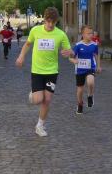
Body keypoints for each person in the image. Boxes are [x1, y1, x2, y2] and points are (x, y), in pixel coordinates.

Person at [16, 7, 72, 136]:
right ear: (44, 19)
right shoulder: (35, 30)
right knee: (37, 100)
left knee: (47, 100)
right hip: (37, 70)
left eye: (53, 22)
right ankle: (33, 94)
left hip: (52, 71)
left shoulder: (61, 34)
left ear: (56, 21)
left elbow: (70, 51)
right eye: (48, 21)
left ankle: (40, 126)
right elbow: (28, 44)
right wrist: (21, 56)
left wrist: (70, 53)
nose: (50, 25)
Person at [68, 25, 101, 115]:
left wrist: (98, 66)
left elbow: (97, 55)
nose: (91, 35)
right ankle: (80, 104)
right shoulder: (78, 45)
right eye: (88, 33)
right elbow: (70, 57)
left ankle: (90, 95)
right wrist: (74, 60)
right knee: (80, 90)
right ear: (83, 34)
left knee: (91, 82)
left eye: (92, 33)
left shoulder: (94, 45)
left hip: (90, 67)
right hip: (80, 70)